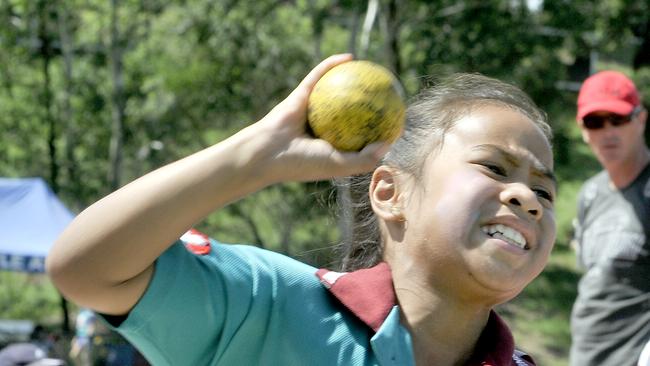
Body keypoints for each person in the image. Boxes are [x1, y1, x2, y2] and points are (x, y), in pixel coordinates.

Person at [46, 54, 557, 366]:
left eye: (546, 192)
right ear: (389, 194)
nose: (527, 198)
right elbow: (87, 269)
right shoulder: (268, 304)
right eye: (494, 168)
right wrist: (252, 158)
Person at [570, 70, 650, 366]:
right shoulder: (589, 193)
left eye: (618, 119)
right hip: (585, 354)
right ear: (583, 129)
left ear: (641, 119)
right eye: (595, 122)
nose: (608, 132)